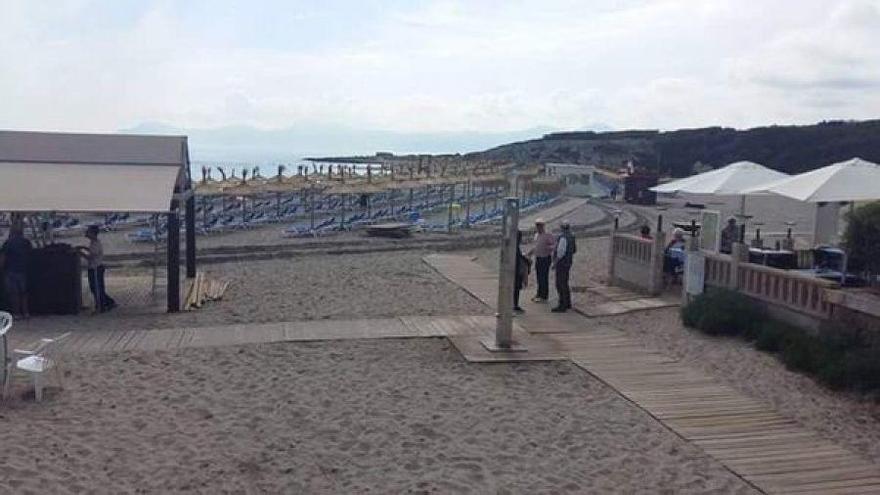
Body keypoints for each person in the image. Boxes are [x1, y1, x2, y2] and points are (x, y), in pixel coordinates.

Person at [77, 225, 116, 313]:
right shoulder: (93, 243)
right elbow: (92, 252)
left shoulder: (96, 243)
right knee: (96, 288)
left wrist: (80, 253)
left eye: (88, 232)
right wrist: (84, 248)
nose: (86, 233)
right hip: (95, 268)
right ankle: (107, 303)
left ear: (92, 233)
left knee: (96, 288)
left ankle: (102, 306)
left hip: (96, 268)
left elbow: (91, 256)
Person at [1, 224, 32, 318]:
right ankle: (26, 312)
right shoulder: (26, 242)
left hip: (11, 270)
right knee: (24, 293)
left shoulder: (8, 243)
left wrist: (1, 268)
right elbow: (31, 254)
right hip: (23, 270)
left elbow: (3, 257)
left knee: (13, 293)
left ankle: (16, 313)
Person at [527, 218, 555, 303]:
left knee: (544, 277)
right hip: (538, 257)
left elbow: (553, 245)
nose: (538, 227)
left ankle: (544, 296)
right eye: (537, 225)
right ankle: (539, 293)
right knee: (539, 277)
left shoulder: (548, 235)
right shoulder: (536, 235)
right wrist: (530, 253)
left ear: (543, 226)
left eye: (540, 225)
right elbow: (535, 246)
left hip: (545, 258)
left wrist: (547, 248)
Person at [552, 221, 576, 313]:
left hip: (562, 263)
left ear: (562, 228)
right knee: (565, 282)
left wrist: (555, 262)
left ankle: (562, 304)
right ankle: (567, 302)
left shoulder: (562, 238)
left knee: (560, 283)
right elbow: (574, 250)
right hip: (568, 262)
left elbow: (560, 252)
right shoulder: (572, 237)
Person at [513, 231, 530, 313]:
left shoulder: (514, 246)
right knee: (516, 288)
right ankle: (514, 305)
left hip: (514, 270)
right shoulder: (515, 247)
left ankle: (514, 304)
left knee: (515, 288)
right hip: (516, 271)